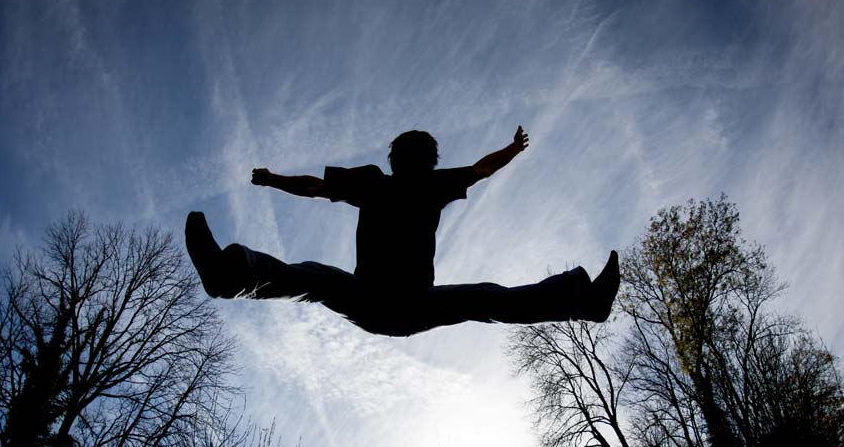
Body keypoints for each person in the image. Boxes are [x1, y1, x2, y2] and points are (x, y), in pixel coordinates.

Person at [185, 126, 619, 337]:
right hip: (409, 304)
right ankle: (581, 299)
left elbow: (316, 188)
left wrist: (274, 179)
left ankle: (236, 275)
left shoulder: (376, 181)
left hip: (376, 301)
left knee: (316, 278)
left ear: (395, 159)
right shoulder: (432, 183)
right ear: (428, 160)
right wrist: (511, 148)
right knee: (488, 298)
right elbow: (484, 169)